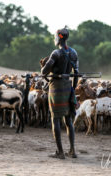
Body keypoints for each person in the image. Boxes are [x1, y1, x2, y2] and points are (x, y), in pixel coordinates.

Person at [41, 27, 79, 159]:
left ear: (58, 37)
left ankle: (60, 152)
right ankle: (73, 151)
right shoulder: (74, 53)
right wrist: (72, 89)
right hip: (68, 87)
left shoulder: (56, 53)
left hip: (56, 88)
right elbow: (76, 74)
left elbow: (43, 72)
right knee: (68, 120)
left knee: (55, 119)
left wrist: (45, 66)